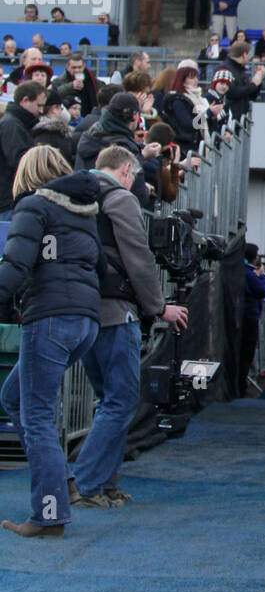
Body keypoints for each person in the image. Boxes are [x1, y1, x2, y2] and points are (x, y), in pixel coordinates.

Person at [70, 145, 188, 505]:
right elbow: (137, 255)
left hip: (80, 308)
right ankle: (86, 484)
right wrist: (158, 306)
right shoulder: (119, 198)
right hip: (114, 310)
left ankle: (106, 482)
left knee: (109, 401)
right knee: (120, 402)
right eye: (134, 177)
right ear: (125, 171)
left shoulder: (72, 193)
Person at [0, 147, 104, 537]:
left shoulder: (33, 207)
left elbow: (14, 266)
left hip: (48, 319)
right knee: (15, 399)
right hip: (85, 323)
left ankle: (48, 514)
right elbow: (101, 266)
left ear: (26, 175)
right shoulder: (84, 213)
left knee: (37, 417)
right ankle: (65, 484)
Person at [0, 81, 47, 220]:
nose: (41, 111)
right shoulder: (12, 125)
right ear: (25, 100)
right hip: (9, 201)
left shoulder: (17, 124)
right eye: (39, 105)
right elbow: (21, 161)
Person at [240, 244, 265, 397]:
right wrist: (262, 276)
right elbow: (262, 291)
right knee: (246, 352)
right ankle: (241, 386)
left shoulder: (243, 272)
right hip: (249, 316)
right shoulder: (250, 274)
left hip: (244, 315)